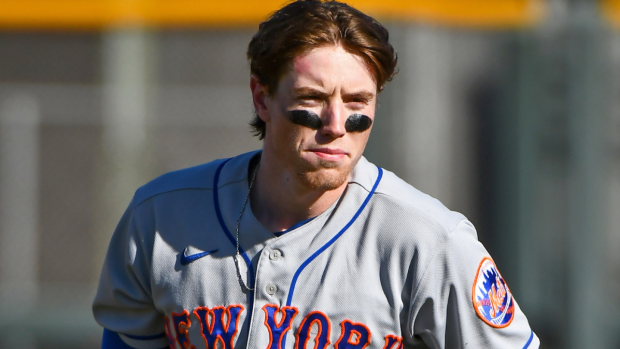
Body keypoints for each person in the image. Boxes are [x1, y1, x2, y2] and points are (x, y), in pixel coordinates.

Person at [92, 0, 539, 348]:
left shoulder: (428, 241)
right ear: (261, 98)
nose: (335, 123)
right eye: (313, 97)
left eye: (357, 102)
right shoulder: (161, 217)